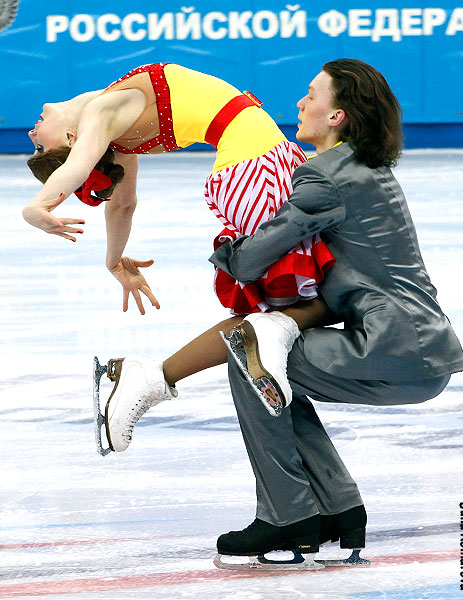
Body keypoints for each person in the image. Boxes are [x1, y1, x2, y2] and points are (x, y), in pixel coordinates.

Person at [203, 58, 463, 558]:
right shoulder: (365, 167)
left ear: (337, 116)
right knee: (276, 373)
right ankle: (336, 508)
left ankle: (287, 515)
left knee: (251, 358)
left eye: (311, 95)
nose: (300, 103)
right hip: (418, 346)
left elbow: (254, 257)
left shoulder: (325, 177)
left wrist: (225, 248)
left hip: (395, 346)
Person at [23, 62, 336, 442]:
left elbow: (123, 205)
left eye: (35, 143)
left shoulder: (113, 128)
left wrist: (113, 259)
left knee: (292, 300)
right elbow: (79, 170)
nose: (31, 131)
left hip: (263, 160)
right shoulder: (100, 116)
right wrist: (36, 206)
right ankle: (153, 378)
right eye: (40, 144)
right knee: (298, 298)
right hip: (256, 166)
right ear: (73, 138)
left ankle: (152, 377)